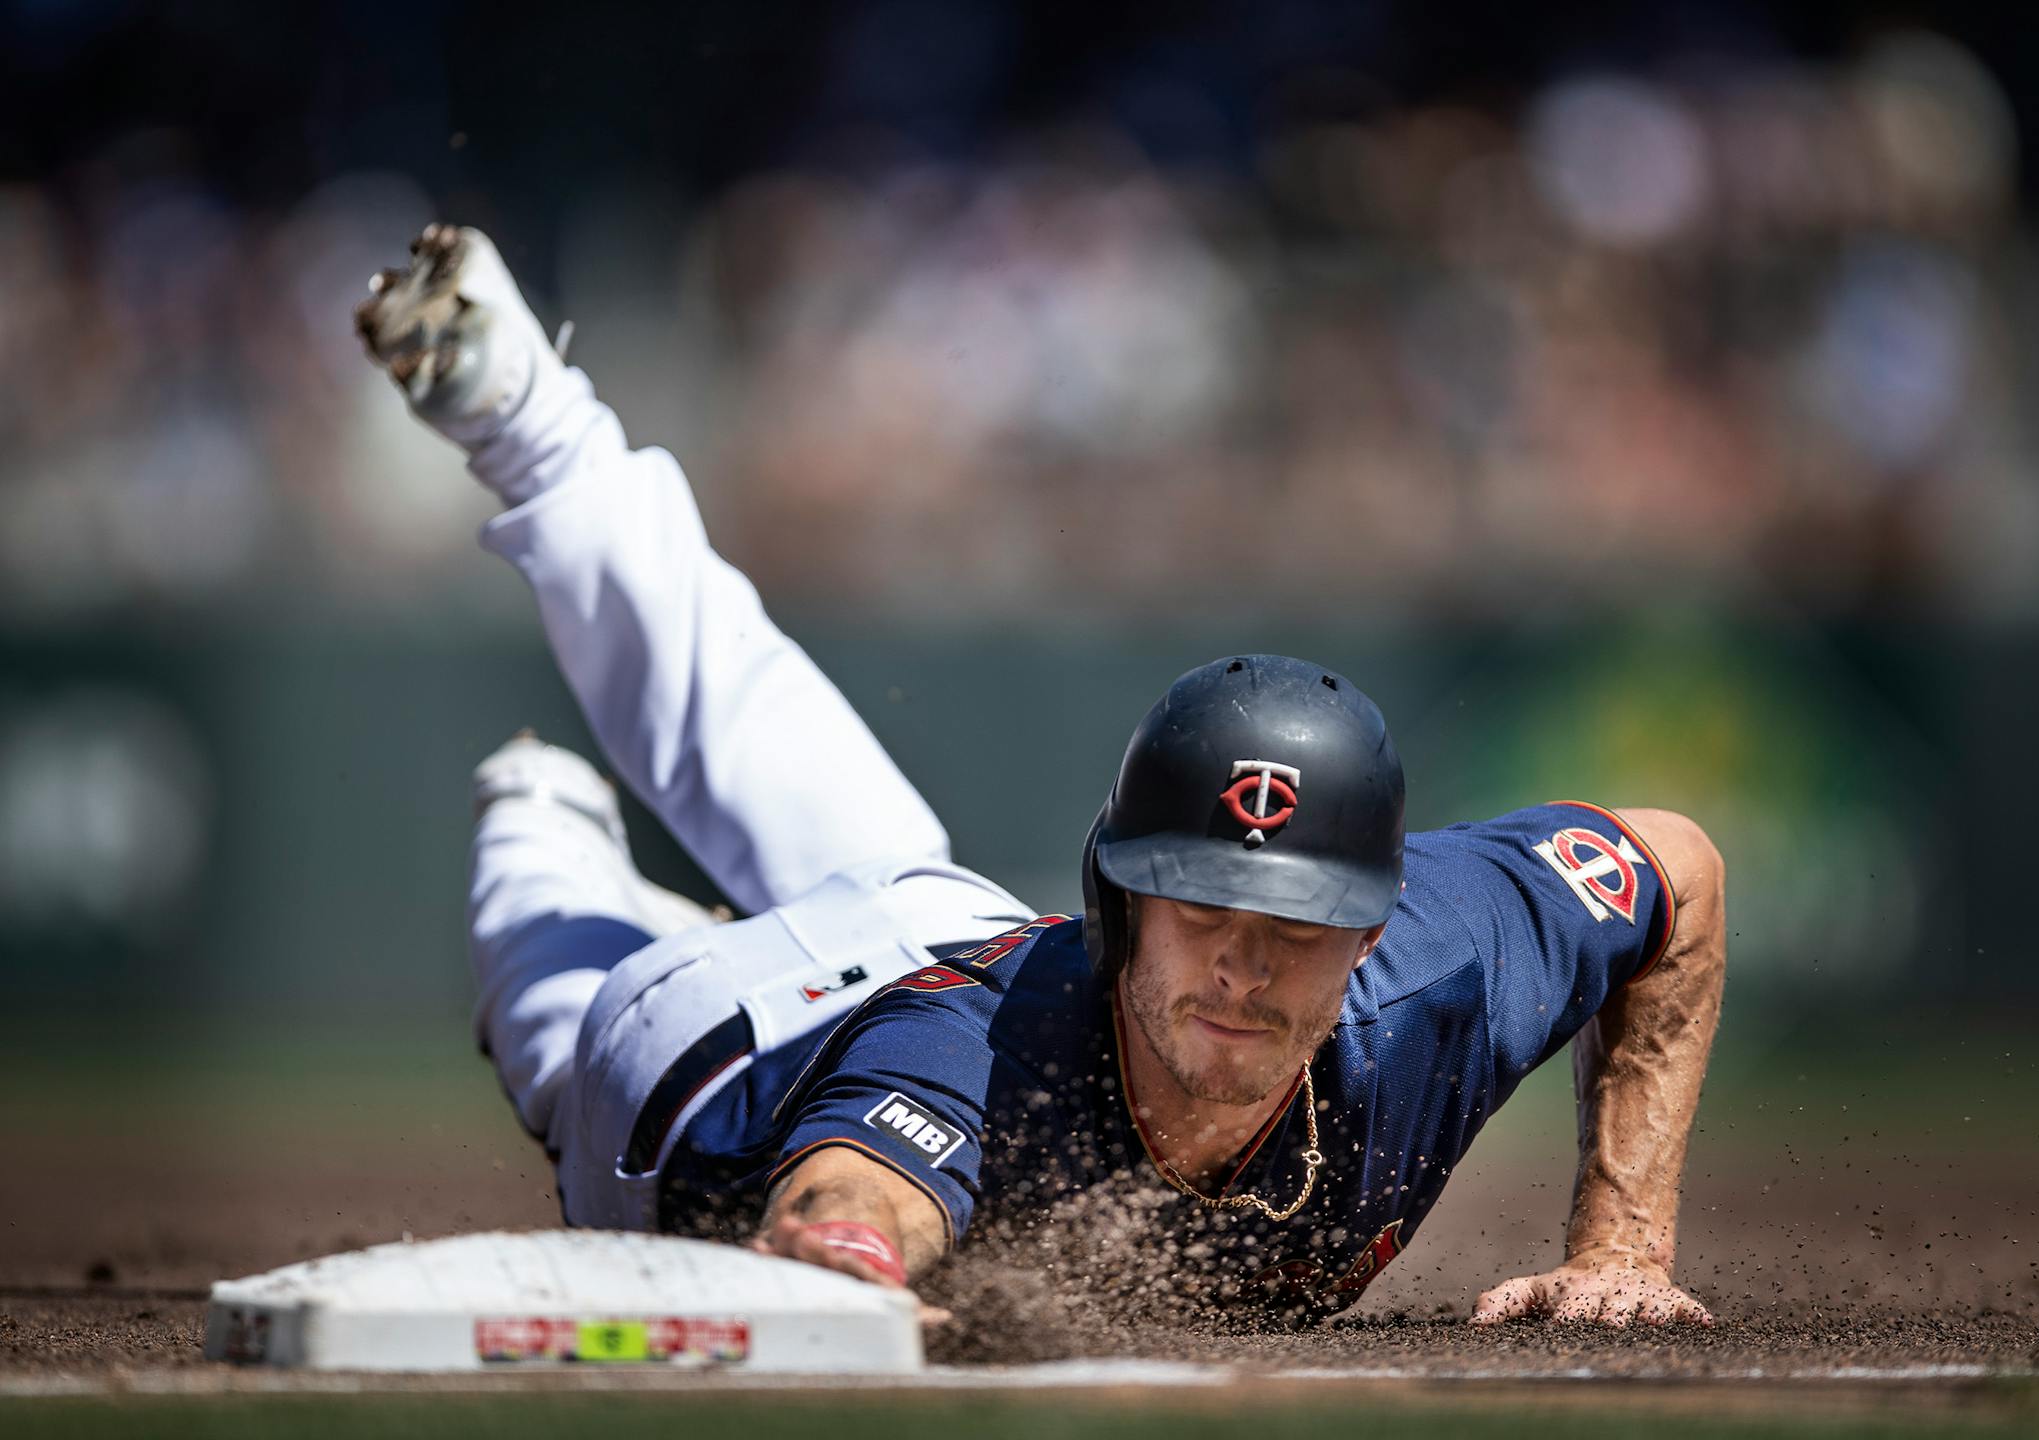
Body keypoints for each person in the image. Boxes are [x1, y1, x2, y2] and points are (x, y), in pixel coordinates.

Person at [358, 226, 1727, 1328]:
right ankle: (539, 794)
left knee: (780, 752)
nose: (1247, 965)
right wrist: (846, 1261)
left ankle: (543, 711)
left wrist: (1622, 1246)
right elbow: (850, 1200)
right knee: (570, 1013)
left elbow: (1674, 870)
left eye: (1294, 927)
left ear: (1369, 933)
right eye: (1202, 911)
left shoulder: (1437, 969)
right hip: (696, 1061)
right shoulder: (970, 1059)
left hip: (946, 927)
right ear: (1122, 906)